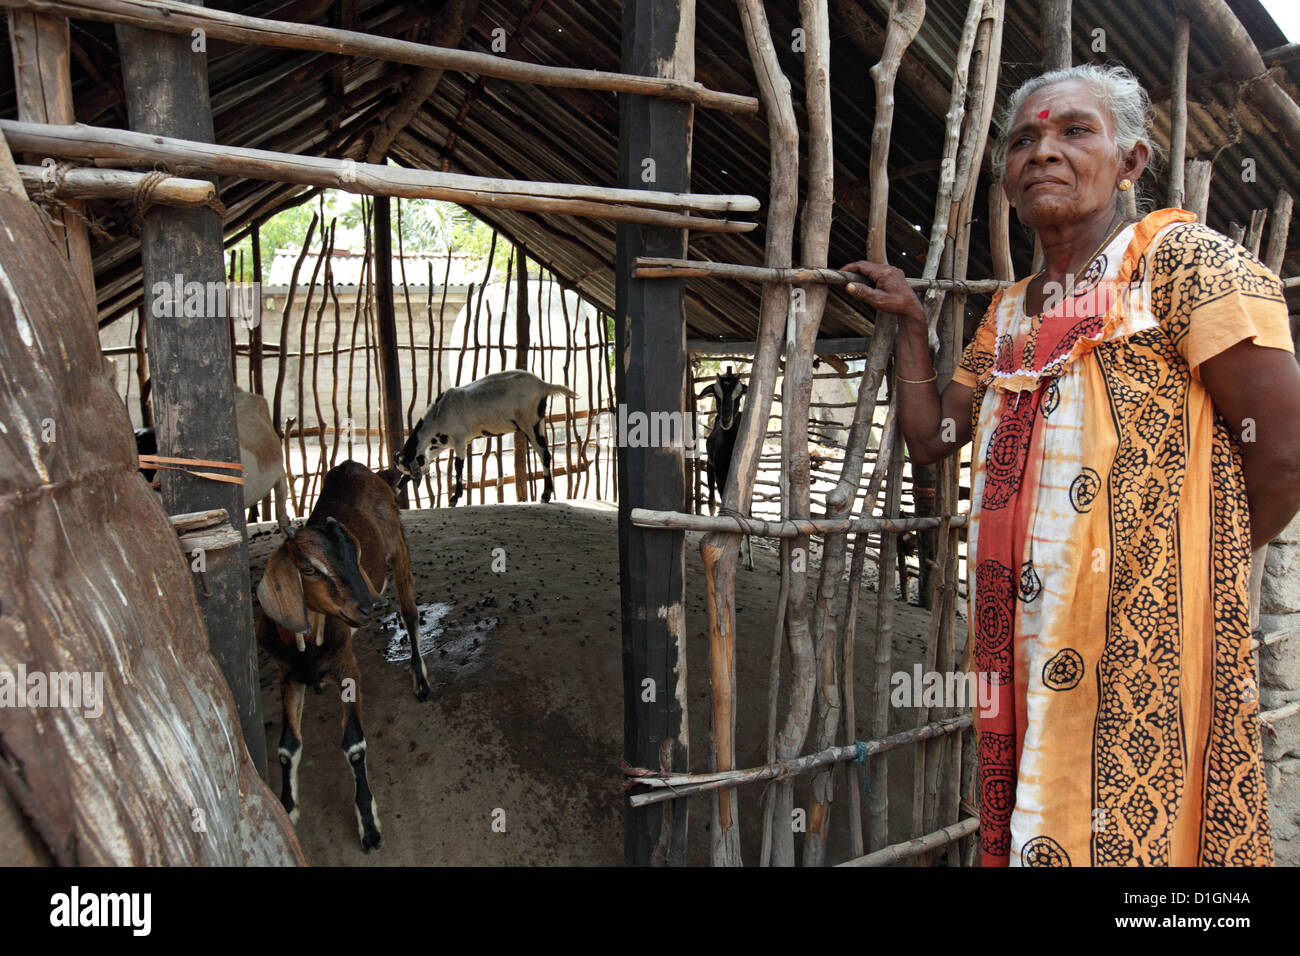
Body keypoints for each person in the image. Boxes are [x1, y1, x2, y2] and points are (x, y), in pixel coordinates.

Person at [842, 64, 1300, 866]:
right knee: (1041, 814)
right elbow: (935, 441)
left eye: (1073, 131)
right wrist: (913, 324)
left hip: (1145, 635)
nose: (1043, 152)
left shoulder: (1183, 265)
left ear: (1130, 161)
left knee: (1134, 831)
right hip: (1019, 636)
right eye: (1025, 140)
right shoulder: (1013, 310)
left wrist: (1176, 574)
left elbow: (1287, 455)